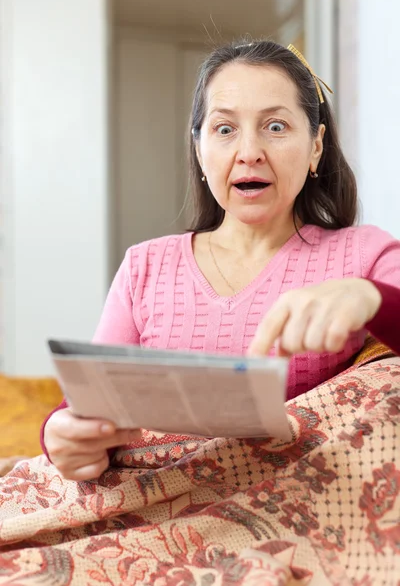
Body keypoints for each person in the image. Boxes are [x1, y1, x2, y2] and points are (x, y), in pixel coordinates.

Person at [41, 39, 400, 482]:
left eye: (275, 126)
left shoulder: (364, 253)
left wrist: (371, 298)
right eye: (225, 129)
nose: (249, 151)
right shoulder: (144, 266)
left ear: (315, 147)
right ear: (199, 150)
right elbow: (85, 403)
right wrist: (59, 435)